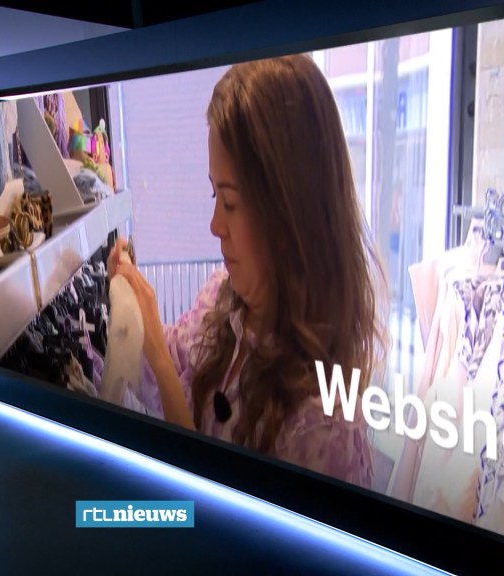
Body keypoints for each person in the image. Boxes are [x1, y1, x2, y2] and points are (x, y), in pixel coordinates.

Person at [110, 54, 386, 489]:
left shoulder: (323, 424)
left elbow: (208, 517)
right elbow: (165, 381)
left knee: (91, 516)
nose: (214, 224)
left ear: (287, 214)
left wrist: (159, 359)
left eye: (231, 202)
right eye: (214, 196)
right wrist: (132, 318)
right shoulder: (222, 296)